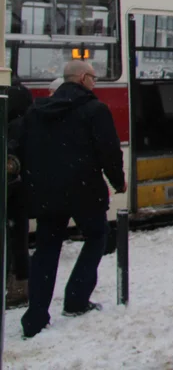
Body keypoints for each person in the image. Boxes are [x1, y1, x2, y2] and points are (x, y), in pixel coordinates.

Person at [20, 60, 125, 339]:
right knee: (97, 236)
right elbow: (109, 152)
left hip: (47, 193)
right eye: (92, 77)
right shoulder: (95, 110)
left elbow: (23, 147)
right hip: (84, 191)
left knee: (46, 250)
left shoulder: (37, 110)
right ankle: (76, 298)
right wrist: (118, 181)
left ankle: (36, 316)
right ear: (81, 79)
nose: (95, 82)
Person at [5, 78, 34, 308]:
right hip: (22, 189)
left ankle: (16, 286)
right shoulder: (28, 123)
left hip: (12, 190)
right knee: (19, 239)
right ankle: (20, 285)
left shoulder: (9, 126)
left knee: (13, 239)